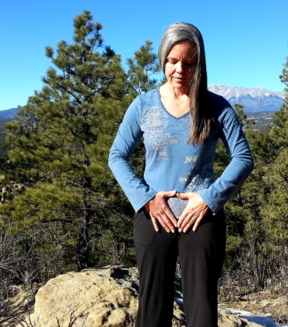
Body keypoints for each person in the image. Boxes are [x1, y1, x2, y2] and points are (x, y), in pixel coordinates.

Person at [108, 22, 254, 327]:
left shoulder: (215, 106)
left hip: (201, 216)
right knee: (152, 307)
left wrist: (209, 198)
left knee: (201, 310)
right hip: (154, 214)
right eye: (172, 61)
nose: (179, 69)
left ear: (199, 63)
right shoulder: (143, 106)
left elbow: (243, 158)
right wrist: (146, 199)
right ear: (163, 59)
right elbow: (117, 156)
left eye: (189, 62)